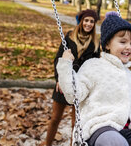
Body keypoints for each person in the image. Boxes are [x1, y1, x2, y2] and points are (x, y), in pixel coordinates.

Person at [57, 12, 131, 146]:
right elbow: (73, 95)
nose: (129, 47)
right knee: (115, 142)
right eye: (123, 42)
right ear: (107, 44)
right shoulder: (93, 66)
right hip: (101, 126)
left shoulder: (130, 76)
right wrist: (65, 66)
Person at [42, 9, 100, 146]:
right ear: (81, 22)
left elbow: (94, 67)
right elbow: (58, 59)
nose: (89, 24)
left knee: (76, 122)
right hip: (63, 82)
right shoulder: (69, 38)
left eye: (92, 21)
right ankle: (47, 143)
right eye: (86, 20)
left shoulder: (96, 44)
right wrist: (59, 80)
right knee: (55, 118)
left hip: (80, 86)